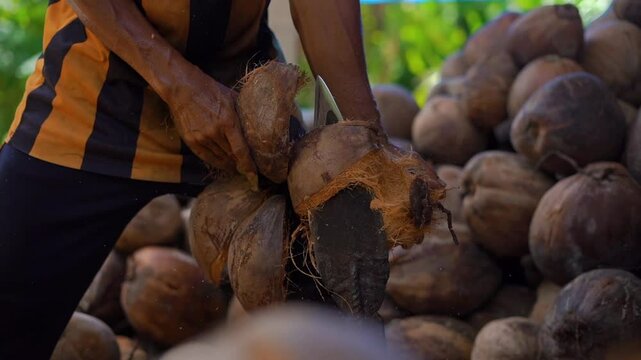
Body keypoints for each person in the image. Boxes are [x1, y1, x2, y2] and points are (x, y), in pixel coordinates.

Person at [0, 1, 381, 358]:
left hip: (250, 112)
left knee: (329, 314)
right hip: (91, 99)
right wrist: (181, 87)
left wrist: (364, 139)